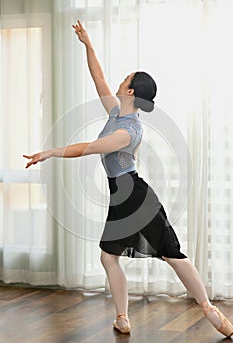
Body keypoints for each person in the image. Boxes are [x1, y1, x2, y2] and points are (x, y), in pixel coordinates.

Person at [23, 20, 233, 338]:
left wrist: (50, 152)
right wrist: (88, 44)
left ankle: (208, 309)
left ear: (131, 91)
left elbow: (89, 148)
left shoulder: (128, 130)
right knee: (109, 256)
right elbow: (100, 78)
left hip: (136, 197)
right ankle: (122, 317)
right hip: (121, 196)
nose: (119, 82)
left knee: (172, 254)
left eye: (125, 80)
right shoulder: (115, 112)